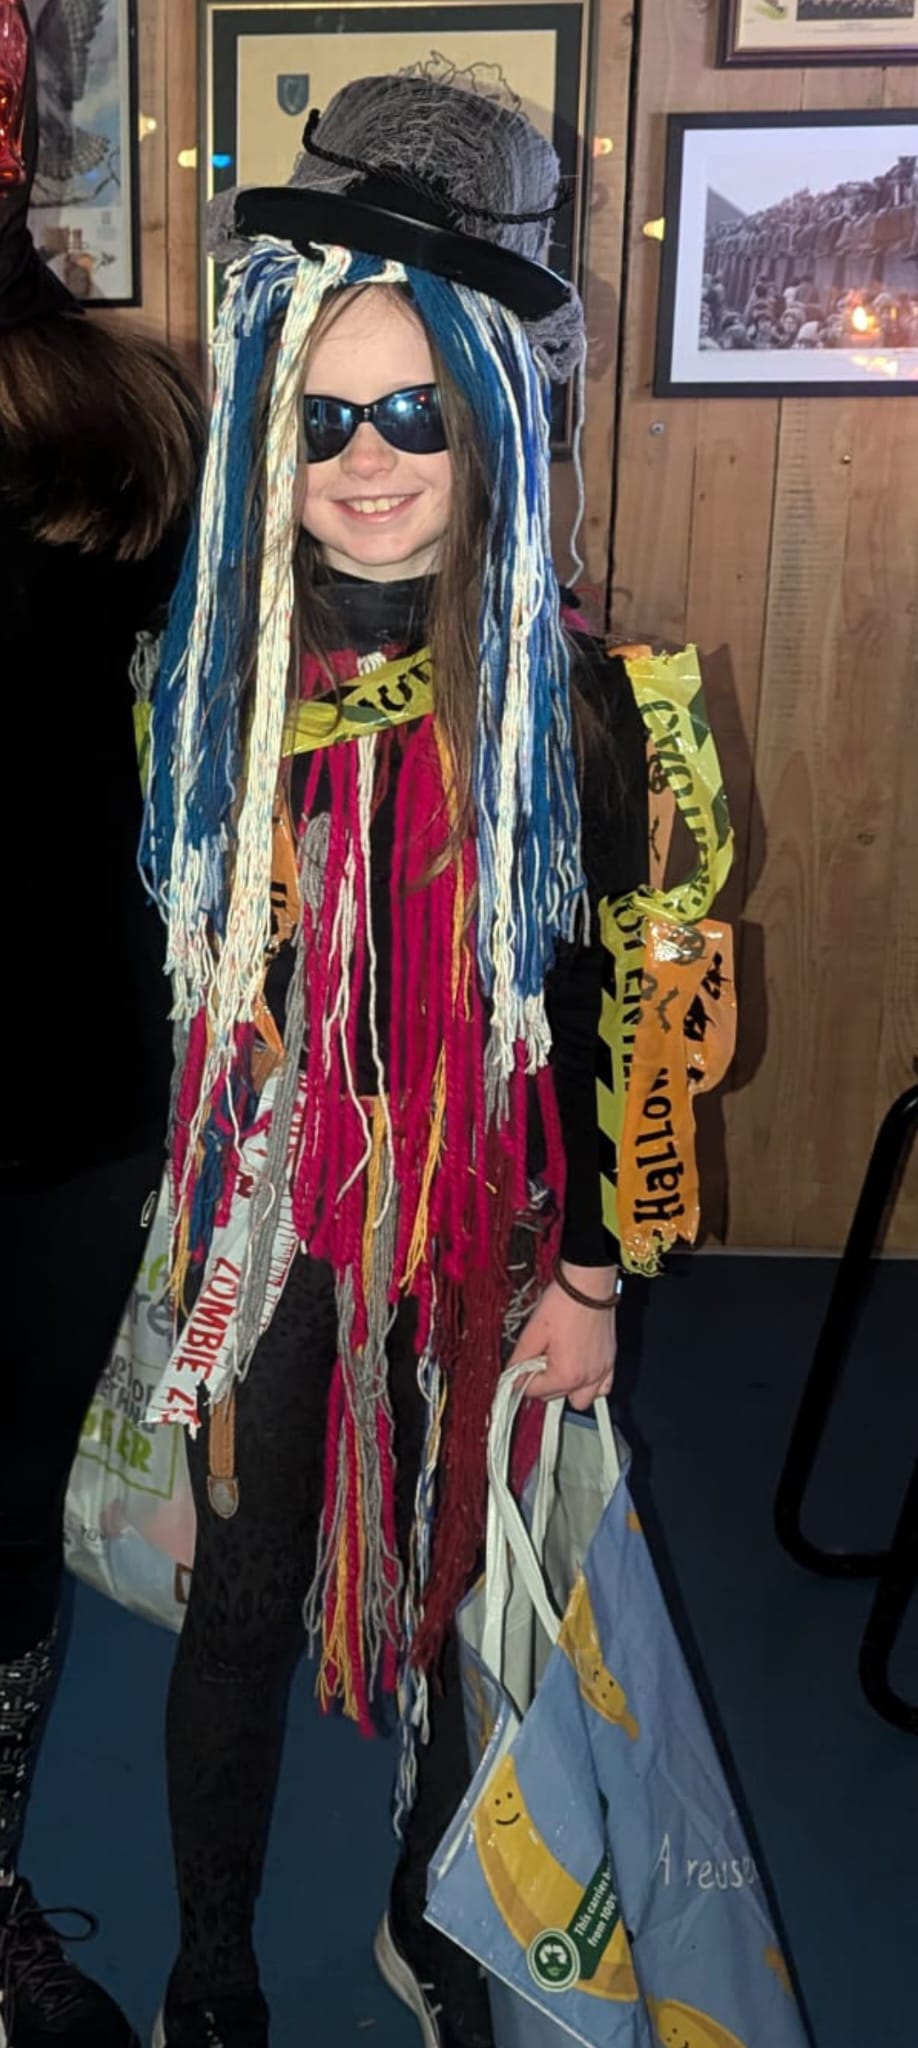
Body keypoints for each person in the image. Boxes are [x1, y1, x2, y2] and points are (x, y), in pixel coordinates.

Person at [143, 67, 648, 2048]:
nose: (369, 461)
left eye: (418, 413)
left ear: (496, 417)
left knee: (453, 1592)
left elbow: (612, 1011)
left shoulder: (569, 703)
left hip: (487, 1218)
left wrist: (592, 1272)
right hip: (271, 1215)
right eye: (326, 416)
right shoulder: (209, 675)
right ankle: (209, 1958)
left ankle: (432, 1913)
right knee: (241, 1592)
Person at [0, 6, 203, 2042]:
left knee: (4, 1523)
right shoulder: (115, 407)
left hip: (63, 1090)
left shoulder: (113, 411)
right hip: (69, 1089)